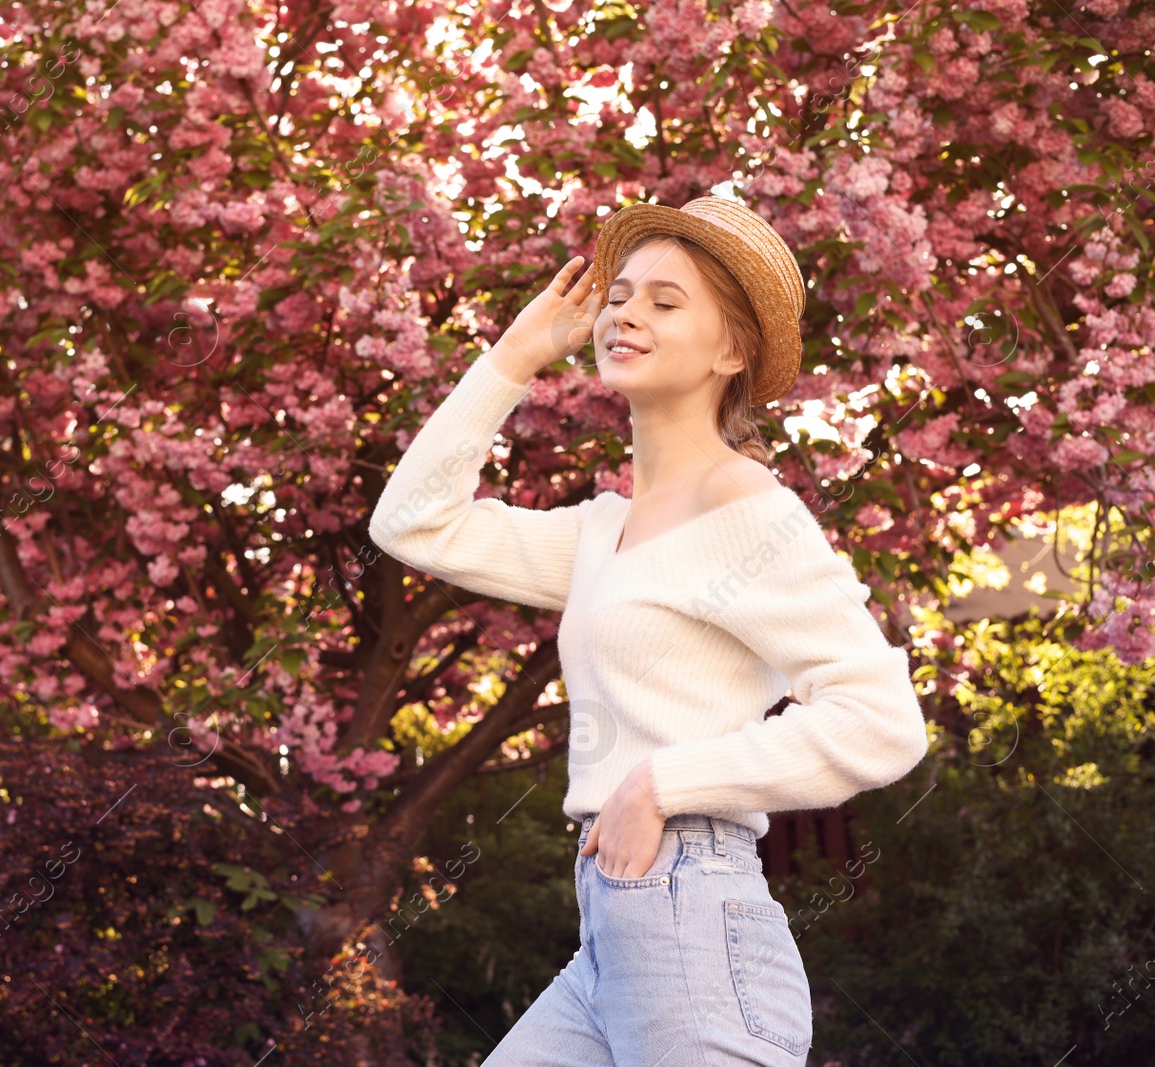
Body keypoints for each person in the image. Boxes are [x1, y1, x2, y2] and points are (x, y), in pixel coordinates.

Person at [367, 197, 930, 1065]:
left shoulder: (746, 506)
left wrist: (663, 780)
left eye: (667, 302)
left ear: (731, 350)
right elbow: (412, 524)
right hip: (612, 933)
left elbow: (882, 719)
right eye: (621, 294)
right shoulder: (604, 533)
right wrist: (516, 354)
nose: (627, 312)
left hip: (694, 918)